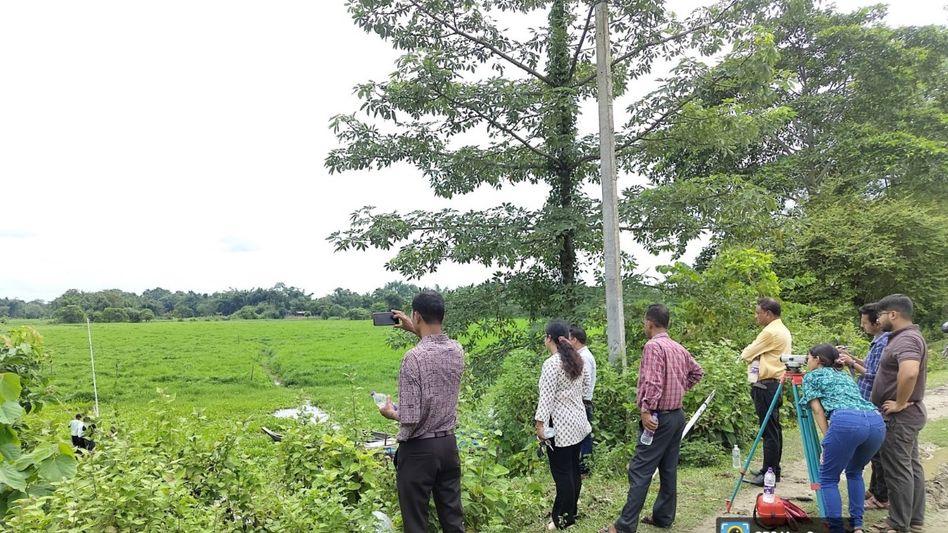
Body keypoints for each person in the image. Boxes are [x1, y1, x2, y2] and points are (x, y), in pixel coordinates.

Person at [603, 304, 704, 533]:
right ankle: (663, 517)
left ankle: (624, 526)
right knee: (668, 468)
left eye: (644, 323)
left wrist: (646, 410)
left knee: (639, 469)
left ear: (649, 323)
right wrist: (679, 388)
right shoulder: (678, 348)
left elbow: (653, 381)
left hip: (658, 418)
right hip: (677, 416)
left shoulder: (653, 347)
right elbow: (697, 372)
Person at [377, 290, 465, 533]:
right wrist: (413, 328)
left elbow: (411, 417)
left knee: (416, 523)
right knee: (453, 520)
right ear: (441, 316)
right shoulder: (457, 350)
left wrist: (391, 412)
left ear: (416, 315)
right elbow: (435, 343)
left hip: (418, 451)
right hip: (448, 445)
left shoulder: (412, 358)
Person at [801, 344, 886, 533]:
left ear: (818, 360)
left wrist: (827, 438)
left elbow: (817, 410)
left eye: (808, 357)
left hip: (847, 422)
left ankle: (836, 528)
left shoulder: (811, 377)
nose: (807, 361)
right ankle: (857, 526)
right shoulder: (844, 375)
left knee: (828, 478)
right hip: (875, 421)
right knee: (855, 472)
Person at [869, 294, 928, 533]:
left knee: (898, 471)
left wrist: (900, 402)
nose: (878, 319)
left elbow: (910, 372)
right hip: (908, 416)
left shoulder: (905, 340)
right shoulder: (906, 337)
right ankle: (913, 520)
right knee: (911, 468)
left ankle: (898, 523)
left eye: (881, 315)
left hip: (900, 418)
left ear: (893, 314)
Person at [535, 320, 591, 530]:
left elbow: (546, 398)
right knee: (573, 469)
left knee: (561, 474)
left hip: (560, 427)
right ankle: (571, 512)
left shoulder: (551, 364)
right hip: (578, 422)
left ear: (549, 338)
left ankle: (563, 517)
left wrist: (540, 425)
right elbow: (585, 389)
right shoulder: (577, 359)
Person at [837, 303, 891, 510]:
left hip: (874, 400)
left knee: (877, 451)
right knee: (875, 451)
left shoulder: (884, 342)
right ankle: (875, 489)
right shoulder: (877, 342)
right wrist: (852, 358)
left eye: (864, 322)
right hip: (868, 399)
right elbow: (870, 365)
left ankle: (881, 496)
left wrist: (851, 364)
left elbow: (876, 375)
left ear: (877, 322)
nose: (862, 326)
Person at [739, 297, 792, 486]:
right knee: (774, 430)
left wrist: (754, 353)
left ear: (768, 313)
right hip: (774, 383)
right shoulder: (782, 329)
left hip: (766, 384)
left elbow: (746, 354)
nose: (756, 316)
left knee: (768, 431)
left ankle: (768, 473)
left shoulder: (770, 332)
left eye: (758, 312)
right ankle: (771, 469)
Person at [569, 324, 596, 475]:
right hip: (584, 401)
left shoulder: (584, 357)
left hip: (583, 401)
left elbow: (585, 381)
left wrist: (579, 399)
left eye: (570, 339)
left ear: (576, 340)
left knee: (584, 434)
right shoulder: (584, 355)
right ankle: (582, 465)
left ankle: (584, 467)